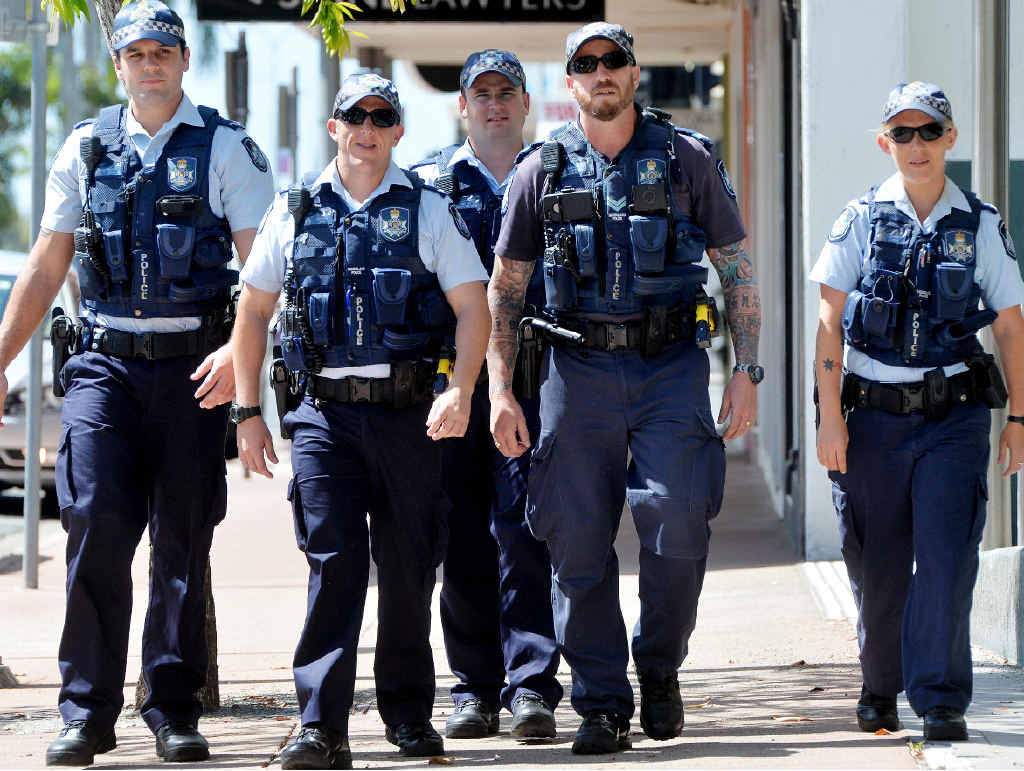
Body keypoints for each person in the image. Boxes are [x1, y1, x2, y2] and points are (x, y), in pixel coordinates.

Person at [0, 0, 274, 765]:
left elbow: (264, 268)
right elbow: (47, 263)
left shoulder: (227, 148)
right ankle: (85, 710)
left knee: (182, 543)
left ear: (185, 61)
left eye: (163, 52)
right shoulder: (86, 148)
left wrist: (238, 360)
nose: (150, 65)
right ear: (118, 65)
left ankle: (173, 708)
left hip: (195, 371)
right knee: (94, 527)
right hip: (104, 368)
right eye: (136, 54)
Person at [485, 22, 763, 754]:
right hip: (573, 371)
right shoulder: (538, 169)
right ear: (570, 81)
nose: (601, 73)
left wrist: (747, 370)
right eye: (586, 64)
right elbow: (505, 290)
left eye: (614, 61)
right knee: (574, 541)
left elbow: (735, 266)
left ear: (635, 75)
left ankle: (660, 665)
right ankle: (602, 701)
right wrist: (500, 391)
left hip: (669, 367)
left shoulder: (686, 159)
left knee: (679, 523)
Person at [231, 72, 490, 770]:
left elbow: (473, 307)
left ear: (399, 130)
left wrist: (461, 388)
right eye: (356, 115)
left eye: (383, 116)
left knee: (408, 568)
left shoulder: (430, 210)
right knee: (335, 561)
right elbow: (252, 311)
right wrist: (248, 411)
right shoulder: (294, 210)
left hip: (411, 416)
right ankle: (322, 726)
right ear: (334, 126)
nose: (368, 128)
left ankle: (409, 716)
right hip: (323, 418)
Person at [811, 81, 1024, 741]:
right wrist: (829, 416)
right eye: (902, 133)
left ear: (950, 139)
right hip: (872, 416)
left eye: (929, 131)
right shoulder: (861, 218)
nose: (917, 145)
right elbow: (828, 322)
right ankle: (880, 684)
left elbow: (1012, 327)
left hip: (953, 416)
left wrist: (1019, 416)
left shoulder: (980, 224)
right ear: (885, 143)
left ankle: (939, 698)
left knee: (946, 555)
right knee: (877, 562)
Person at [409, 49, 563, 741]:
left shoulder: (555, 176)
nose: (495, 104)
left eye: (507, 92)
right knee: (463, 535)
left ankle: (531, 684)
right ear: (463, 106)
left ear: (526, 103)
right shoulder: (428, 184)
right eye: (482, 94)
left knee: (529, 532)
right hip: (455, 387)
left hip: (538, 380)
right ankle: (473, 687)